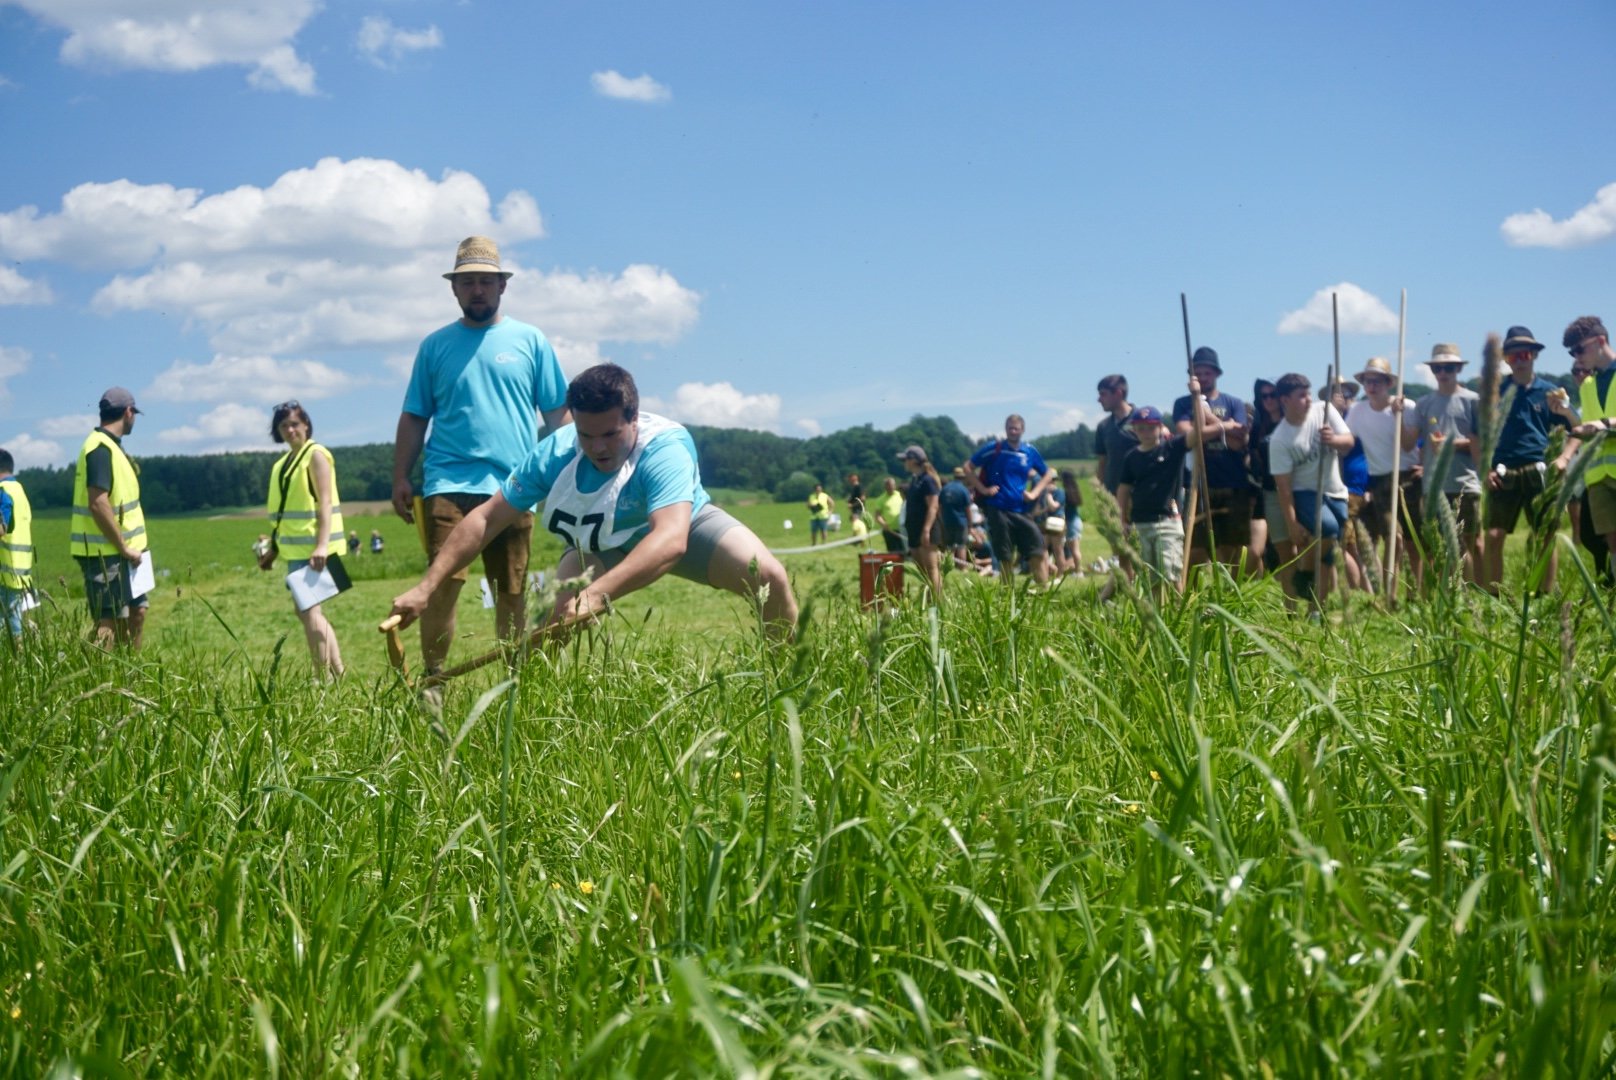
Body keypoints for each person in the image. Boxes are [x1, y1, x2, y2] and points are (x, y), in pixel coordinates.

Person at [389, 364, 797, 641]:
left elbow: (671, 539)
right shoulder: (554, 453)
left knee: (769, 577)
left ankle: (785, 687)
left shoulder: (665, 447)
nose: (598, 448)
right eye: (586, 435)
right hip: (599, 544)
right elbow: (486, 520)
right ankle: (527, 718)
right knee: (546, 636)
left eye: (610, 434)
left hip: (676, 528)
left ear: (634, 418)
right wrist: (426, 587)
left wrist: (597, 595)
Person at [392, 236, 571, 684]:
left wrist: (572, 470)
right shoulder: (434, 346)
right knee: (442, 585)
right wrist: (400, 476)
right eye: (468, 281)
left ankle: (515, 682)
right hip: (447, 483)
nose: (477, 290)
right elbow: (414, 416)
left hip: (515, 485)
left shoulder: (530, 341)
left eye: (486, 282)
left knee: (511, 589)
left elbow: (558, 414)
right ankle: (433, 682)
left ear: (502, 286)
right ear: (453, 288)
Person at [1481, 326, 1572, 594]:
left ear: (1534, 355)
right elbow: (1479, 435)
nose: (1519, 361)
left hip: (1540, 468)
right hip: (1503, 470)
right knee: (1494, 535)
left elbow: (1575, 429)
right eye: (1513, 356)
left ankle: (1545, 594)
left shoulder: (1550, 392)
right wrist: (1484, 469)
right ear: (1505, 360)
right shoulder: (1495, 392)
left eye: (1525, 354)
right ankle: (1493, 596)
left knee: (1545, 535)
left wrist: (1564, 458)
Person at [266, 401, 345, 677]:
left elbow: (325, 502)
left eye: (294, 424)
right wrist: (274, 549)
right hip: (296, 551)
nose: (290, 430)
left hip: (314, 550)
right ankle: (338, 674)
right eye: (284, 426)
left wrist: (322, 545)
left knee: (310, 612)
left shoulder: (315, 455)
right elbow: (284, 512)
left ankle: (322, 678)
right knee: (307, 613)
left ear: (306, 425)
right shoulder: (284, 463)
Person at [1116, 393, 1221, 596]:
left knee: (1171, 572)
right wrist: (1122, 520)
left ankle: (1179, 609)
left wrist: (1196, 396)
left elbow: (1198, 432)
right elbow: (1123, 489)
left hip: (1167, 521)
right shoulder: (1131, 457)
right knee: (1151, 577)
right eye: (1141, 428)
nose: (1146, 433)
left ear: (1160, 427)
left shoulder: (1172, 448)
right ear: (1134, 430)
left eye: (1151, 427)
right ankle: (1158, 612)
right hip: (1140, 522)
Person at [1269, 372, 1358, 611]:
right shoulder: (1280, 439)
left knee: (1327, 552)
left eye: (1308, 394)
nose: (1308, 399)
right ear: (1285, 400)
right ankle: (1307, 574)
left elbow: (1349, 443)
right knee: (1327, 528)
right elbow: (1283, 487)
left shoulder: (1324, 411)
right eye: (1301, 395)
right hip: (1306, 493)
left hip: (1336, 491)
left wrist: (1333, 440)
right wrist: (1292, 523)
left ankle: (1316, 609)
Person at [70, 387, 148, 649]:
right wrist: (123, 547)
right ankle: (97, 673)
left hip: (129, 552)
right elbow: (98, 502)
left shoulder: (112, 448)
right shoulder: (100, 448)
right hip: (106, 553)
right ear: (128, 412)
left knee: (137, 612)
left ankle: (130, 670)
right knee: (109, 621)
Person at [1405, 343, 1482, 583]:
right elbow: (1408, 444)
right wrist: (1398, 414)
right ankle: (1444, 592)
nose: (1442, 372)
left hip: (1465, 482)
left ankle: (1478, 592)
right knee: (1436, 545)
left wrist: (1453, 444)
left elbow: (1484, 443)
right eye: (1437, 368)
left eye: (1448, 367)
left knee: (1471, 542)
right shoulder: (1424, 403)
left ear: (1458, 369)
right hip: (1433, 486)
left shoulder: (1473, 400)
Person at [1347, 358, 1423, 594]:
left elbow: (1409, 445)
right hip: (1380, 480)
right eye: (1368, 381)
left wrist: (1397, 416)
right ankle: (1390, 595)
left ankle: (1415, 595)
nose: (1372, 386)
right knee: (1393, 539)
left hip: (1408, 478)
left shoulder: (1407, 406)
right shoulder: (1357, 411)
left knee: (1413, 542)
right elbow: (1347, 440)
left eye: (1377, 381)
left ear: (1389, 383)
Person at [1173, 348, 1251, 573]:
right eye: (1198, 374)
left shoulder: (1234, 403)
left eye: (1207, 373)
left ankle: (1232, 592)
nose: (1203, 378)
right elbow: (1189, 435)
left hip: (1232, 483)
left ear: (1216, 374)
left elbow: (1239, 441)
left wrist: (1207, 419)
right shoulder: (1183, 404)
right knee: (1195, 550)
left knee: (1231, 548)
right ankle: (1192, 592)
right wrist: (1226, 426)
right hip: (1196, 485)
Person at [966, 414, 1054, 585]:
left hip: (1022, 510)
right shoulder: (994, 448)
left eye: (1016, 428)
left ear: (1023, 430)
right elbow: (968, 467)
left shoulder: (1029, 451)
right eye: (1010, 428)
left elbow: (1048, 473)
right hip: (998, 508)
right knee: (1005, 555)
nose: (1013, 431)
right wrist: (983, 489)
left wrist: (1034, 493)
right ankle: (1008, 593)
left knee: (1037, 549)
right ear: (1005, 429)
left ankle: (1044, 590)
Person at [1563, 316, 1616, 582]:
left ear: (1600, 341)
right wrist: (1568, 414)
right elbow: (1587, 428)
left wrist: (1604, 424)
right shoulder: (1587, 386)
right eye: (1572, 353)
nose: (1577, 357)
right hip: (1597, 477)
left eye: (1579, 349)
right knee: (1612, 542)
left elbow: (1600, 424)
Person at [1549, 355, 1611, 583]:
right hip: (1594, 475)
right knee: (1591, 535)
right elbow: (1580, 430)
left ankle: (1607, 579)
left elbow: (1587, 429)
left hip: (1605, 473)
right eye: (1575, 371)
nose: (1580, 375)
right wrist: (1566, 413)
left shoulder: (1602, 395)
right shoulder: (1584, 402)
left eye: (1584, 370)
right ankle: (1606, 579)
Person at [898, 446, 943, 599]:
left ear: (914, 461)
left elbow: (933, 506)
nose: (904, 463)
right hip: (914, 529)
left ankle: (937, 601)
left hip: (926, 529)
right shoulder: (915, 479)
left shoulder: (927, 480)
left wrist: (926, 530)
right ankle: (928, 598)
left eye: (906, 459)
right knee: (921, 569)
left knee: (931, 568)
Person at [1248, 378, 1282, 576]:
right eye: (1264, 396)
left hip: (1293, 490)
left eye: (1273, 395)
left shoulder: (1291, 422)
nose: (1268, 400)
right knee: (1257, 549)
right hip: (1266, 491)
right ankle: (1262, 585)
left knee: (1293, 546)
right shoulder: (1258, 426)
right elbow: (1251, 454)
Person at [0, 450, 34, 639]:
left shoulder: (2, 491)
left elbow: (2, 527)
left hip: (5, 572)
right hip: (21, 569)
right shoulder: (20, 490)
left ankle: (17, 655)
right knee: (14, 620)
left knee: (11, 625)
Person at [939, 466, 973, 570]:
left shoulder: (945, 489)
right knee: (961, 545)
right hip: (961, 521)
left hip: (947, 521)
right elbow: (968, 509)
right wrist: (970, 524)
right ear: (963, 477)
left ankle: (947, 567)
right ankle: (962, 568)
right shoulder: (964, 490)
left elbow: (939, 507)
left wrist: (941, 520)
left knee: (949, 546)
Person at [872, 476, 907, 554]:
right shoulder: (880, 499)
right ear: (885, 487)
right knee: (893, 552)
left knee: (905, 550)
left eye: (891, 485)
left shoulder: (901, 495)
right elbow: (877, 515)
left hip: (902, 528)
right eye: (888, 486)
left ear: (894, 485)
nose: (890, 488)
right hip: (889, 530)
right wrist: (883, 524)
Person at [1060, 470, 1085, 575]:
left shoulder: (1065, 493)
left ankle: (1078, 571)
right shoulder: (1075, 492)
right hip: (1077, 521)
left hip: (1071, 522)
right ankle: (1077, 569)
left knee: (1074, 550)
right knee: (1075, 549)